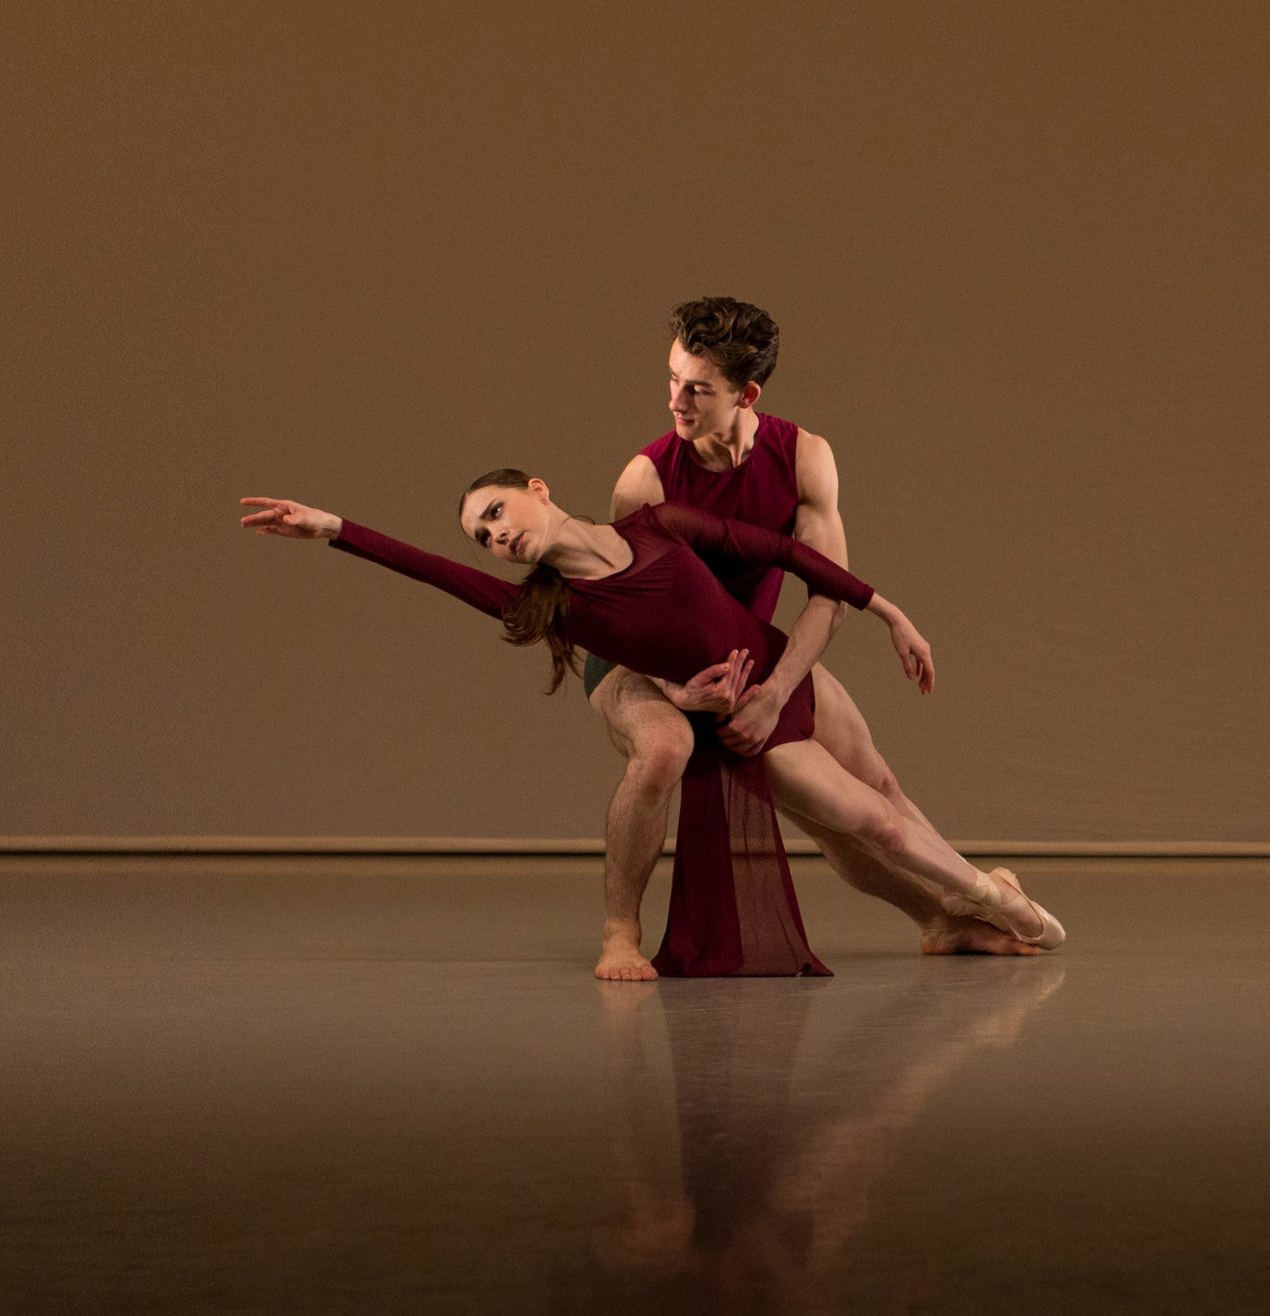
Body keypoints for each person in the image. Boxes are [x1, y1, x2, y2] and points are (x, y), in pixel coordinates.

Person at [239, 474, 1065, 976]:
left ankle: (945, 922)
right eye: (483, 536)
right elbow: (429, 572)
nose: (494, 536)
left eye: (495, 511)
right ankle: (1004, 903)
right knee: (870, 824)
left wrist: (888, 612)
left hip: (785, 668)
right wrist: (334, 531)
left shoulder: (657, 526)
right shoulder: (548, 603)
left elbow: (782, 551)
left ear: (538, 488)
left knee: (887, 790)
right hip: (739, 720)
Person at [587, 298, 1027, 981]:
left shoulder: (803, 458)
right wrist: (678, 692)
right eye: (672, 378)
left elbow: (831, 589)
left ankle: (947, 916)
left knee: (869, 786)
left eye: (697, 389)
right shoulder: (644, 479)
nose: (675, 400)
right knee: (663, 751)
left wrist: (774, 693)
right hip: (641, 660)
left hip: (749, 654)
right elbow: (620, 609)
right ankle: (621, 935)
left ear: (747, 393)